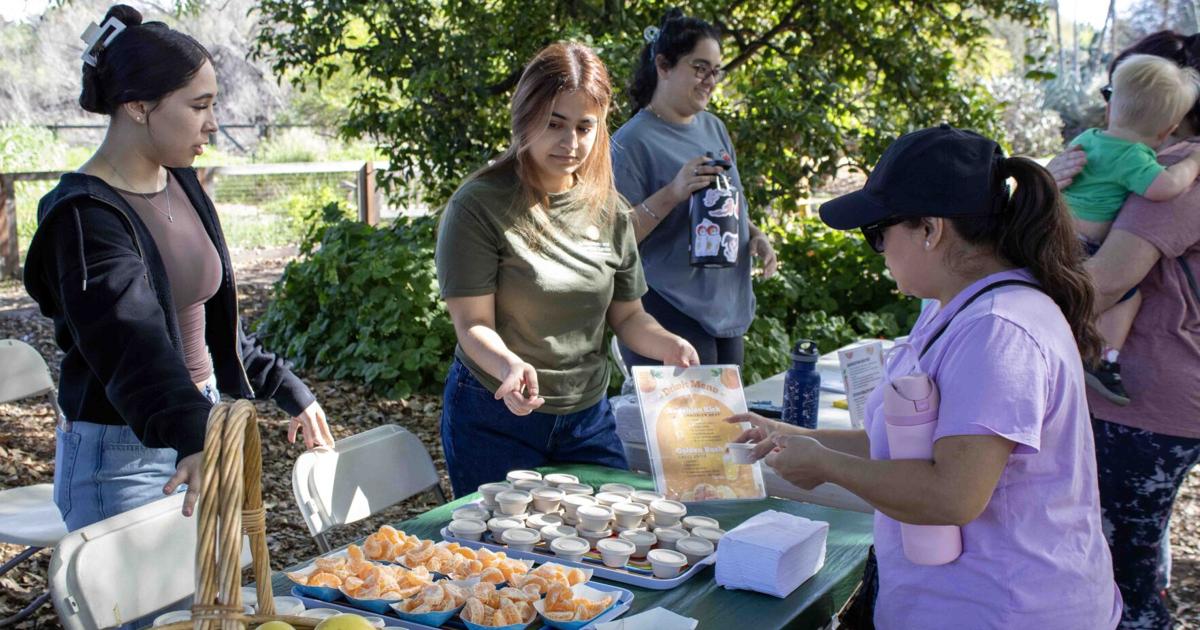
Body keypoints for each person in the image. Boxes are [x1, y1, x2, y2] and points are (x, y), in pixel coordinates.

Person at [729, 126, 1121, 628]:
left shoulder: (997, 331)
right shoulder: (957, 307)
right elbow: (910, 447)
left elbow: (951, 494)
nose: (878, 250)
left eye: (878, 233)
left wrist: (826, 465)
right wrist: (800, 437)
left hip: (1007, 609)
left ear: (931, 229)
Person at [23, 5, 333, 530]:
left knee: (210, 608)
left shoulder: (182, 181)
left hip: (200, 420)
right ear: (139, 105)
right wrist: (194, 432)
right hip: (126, 456)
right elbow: (130, 345)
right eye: (199, 106)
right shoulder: (82, 217)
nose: (213, 123)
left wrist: (285, 387)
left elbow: (208, 318)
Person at [435, 42, 699, 498]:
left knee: (614, 540)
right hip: (495, 414)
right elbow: (472, 323)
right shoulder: (478, 204)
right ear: (525, 116)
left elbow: (629, 318)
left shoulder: (611, 210)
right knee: (506, 563)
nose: (570, 142)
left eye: (584, 127)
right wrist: (509, 366)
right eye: (555, 123)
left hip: (588, 418)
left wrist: (669, 345)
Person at [1050, 30, 1200, 630]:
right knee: (1134, 558)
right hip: (1152, 397)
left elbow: (1103, 283)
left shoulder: (1171, 178)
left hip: (1140, 401)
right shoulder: (1153, 163)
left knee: (1118, 577)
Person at [610, 9, 776, 369]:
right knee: (690, 426)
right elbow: (614, 241)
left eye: (716, 70)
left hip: (726, 309)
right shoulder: (630, 142)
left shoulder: (714, 127)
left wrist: (754, 235)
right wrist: (673, 191)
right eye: (700, 68)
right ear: (664, 65)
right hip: (666, 310)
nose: (710, 80)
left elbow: (723, 205)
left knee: (729, 424)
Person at [1059, 53, 1200, 404]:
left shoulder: (1088, 140)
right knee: (1128, 295)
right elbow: (1165, 187)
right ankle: (1101, 356)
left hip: (1057, 231)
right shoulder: (1133, 157)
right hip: (1085, 244)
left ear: (1110, 109)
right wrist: (1193, 162)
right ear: (1166, 131)